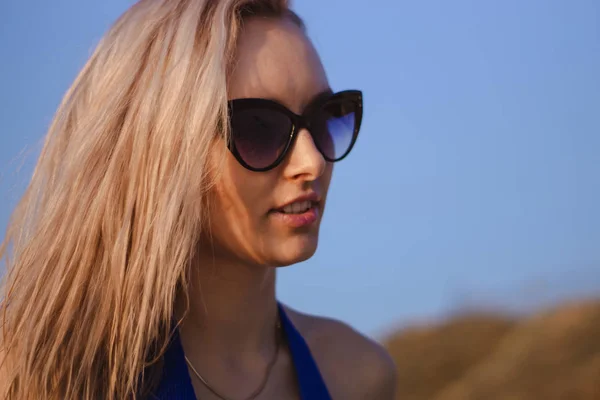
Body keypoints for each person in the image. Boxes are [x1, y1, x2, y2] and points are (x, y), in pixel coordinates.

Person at [0, 0, 397, 399]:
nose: (312, 162)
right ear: (160, 150)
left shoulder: (355, 374)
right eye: (259, 128)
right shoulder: (36, 369)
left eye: (324, 117)